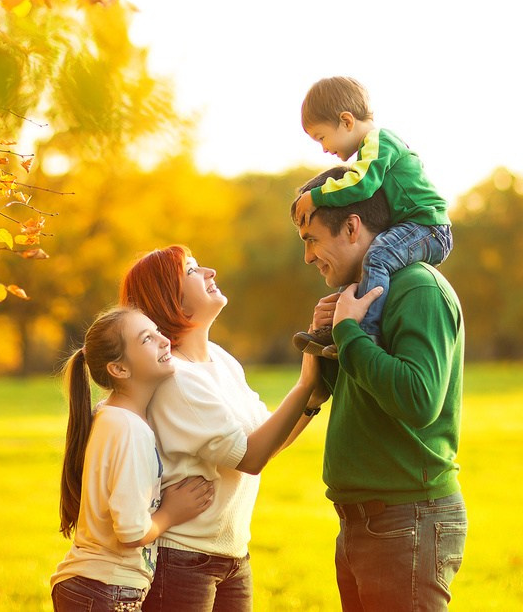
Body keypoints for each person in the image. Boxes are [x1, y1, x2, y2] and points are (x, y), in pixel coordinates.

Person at [292, 166, 467, 611]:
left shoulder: (417, 288)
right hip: (361, 523)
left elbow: (418, 398)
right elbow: (357, 391)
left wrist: (350, 333)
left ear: (352, 227)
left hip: (405, 520)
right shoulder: (364, 294)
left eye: (312, 239)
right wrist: (328, 338)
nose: (308, 257)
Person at [120, 246, 329, 612]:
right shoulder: (175, 379)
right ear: (172, 301)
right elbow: (250, 458)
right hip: (182, 560)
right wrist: (304, 382)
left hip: (232, 557)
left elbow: (265, 439)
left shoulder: (221, 359)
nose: (210, 272)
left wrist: (311, 402)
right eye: (192, 270)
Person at [51, 307, 216, 612]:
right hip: (105, 590)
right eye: (146, 339)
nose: (163, 340)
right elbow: (130, 531)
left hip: (93, 587)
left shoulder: (110, 416)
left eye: (156, 331)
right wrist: (171, 513)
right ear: (120, 369)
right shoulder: (129, 429)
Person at [294, 76, 453, 358]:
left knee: (377, 256)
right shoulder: (372, 149)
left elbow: (362, 184)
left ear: (346, 121)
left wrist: (315, 197)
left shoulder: (380, 142)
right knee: (361, 267)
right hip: (412, 226)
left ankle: (366, 331)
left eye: (322, 137)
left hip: (428, 227)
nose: (324, 148)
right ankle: (335, 326)